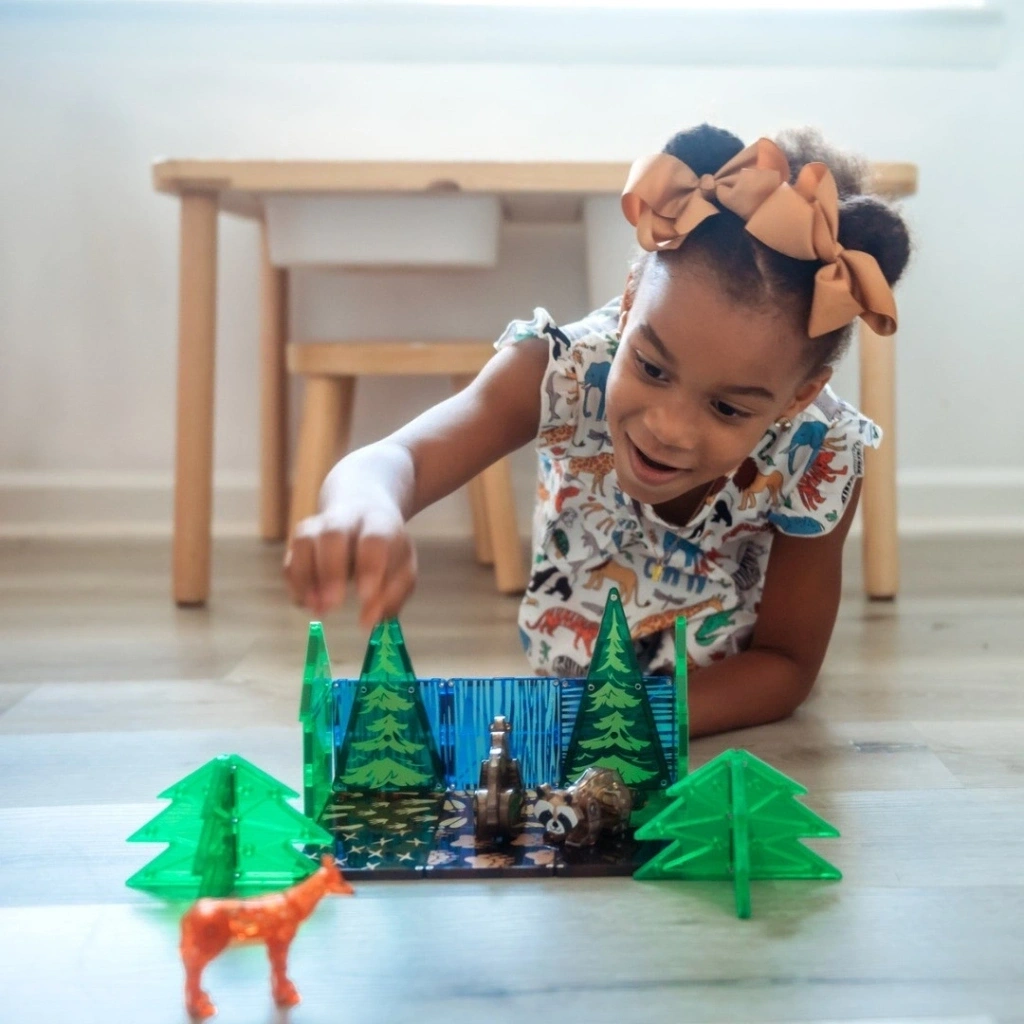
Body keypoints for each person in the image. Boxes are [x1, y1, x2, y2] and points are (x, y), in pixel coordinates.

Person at [284, 123, 911, 737]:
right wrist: (366, 507)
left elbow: (786, 665)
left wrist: (624, 724)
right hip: (562, 687)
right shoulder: (560, 368)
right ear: (631, 296)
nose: (668, 428)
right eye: (652, 368)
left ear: (799, 395)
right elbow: (401, 457)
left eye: (726, 408)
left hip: (714, 717)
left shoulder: (821, 455)